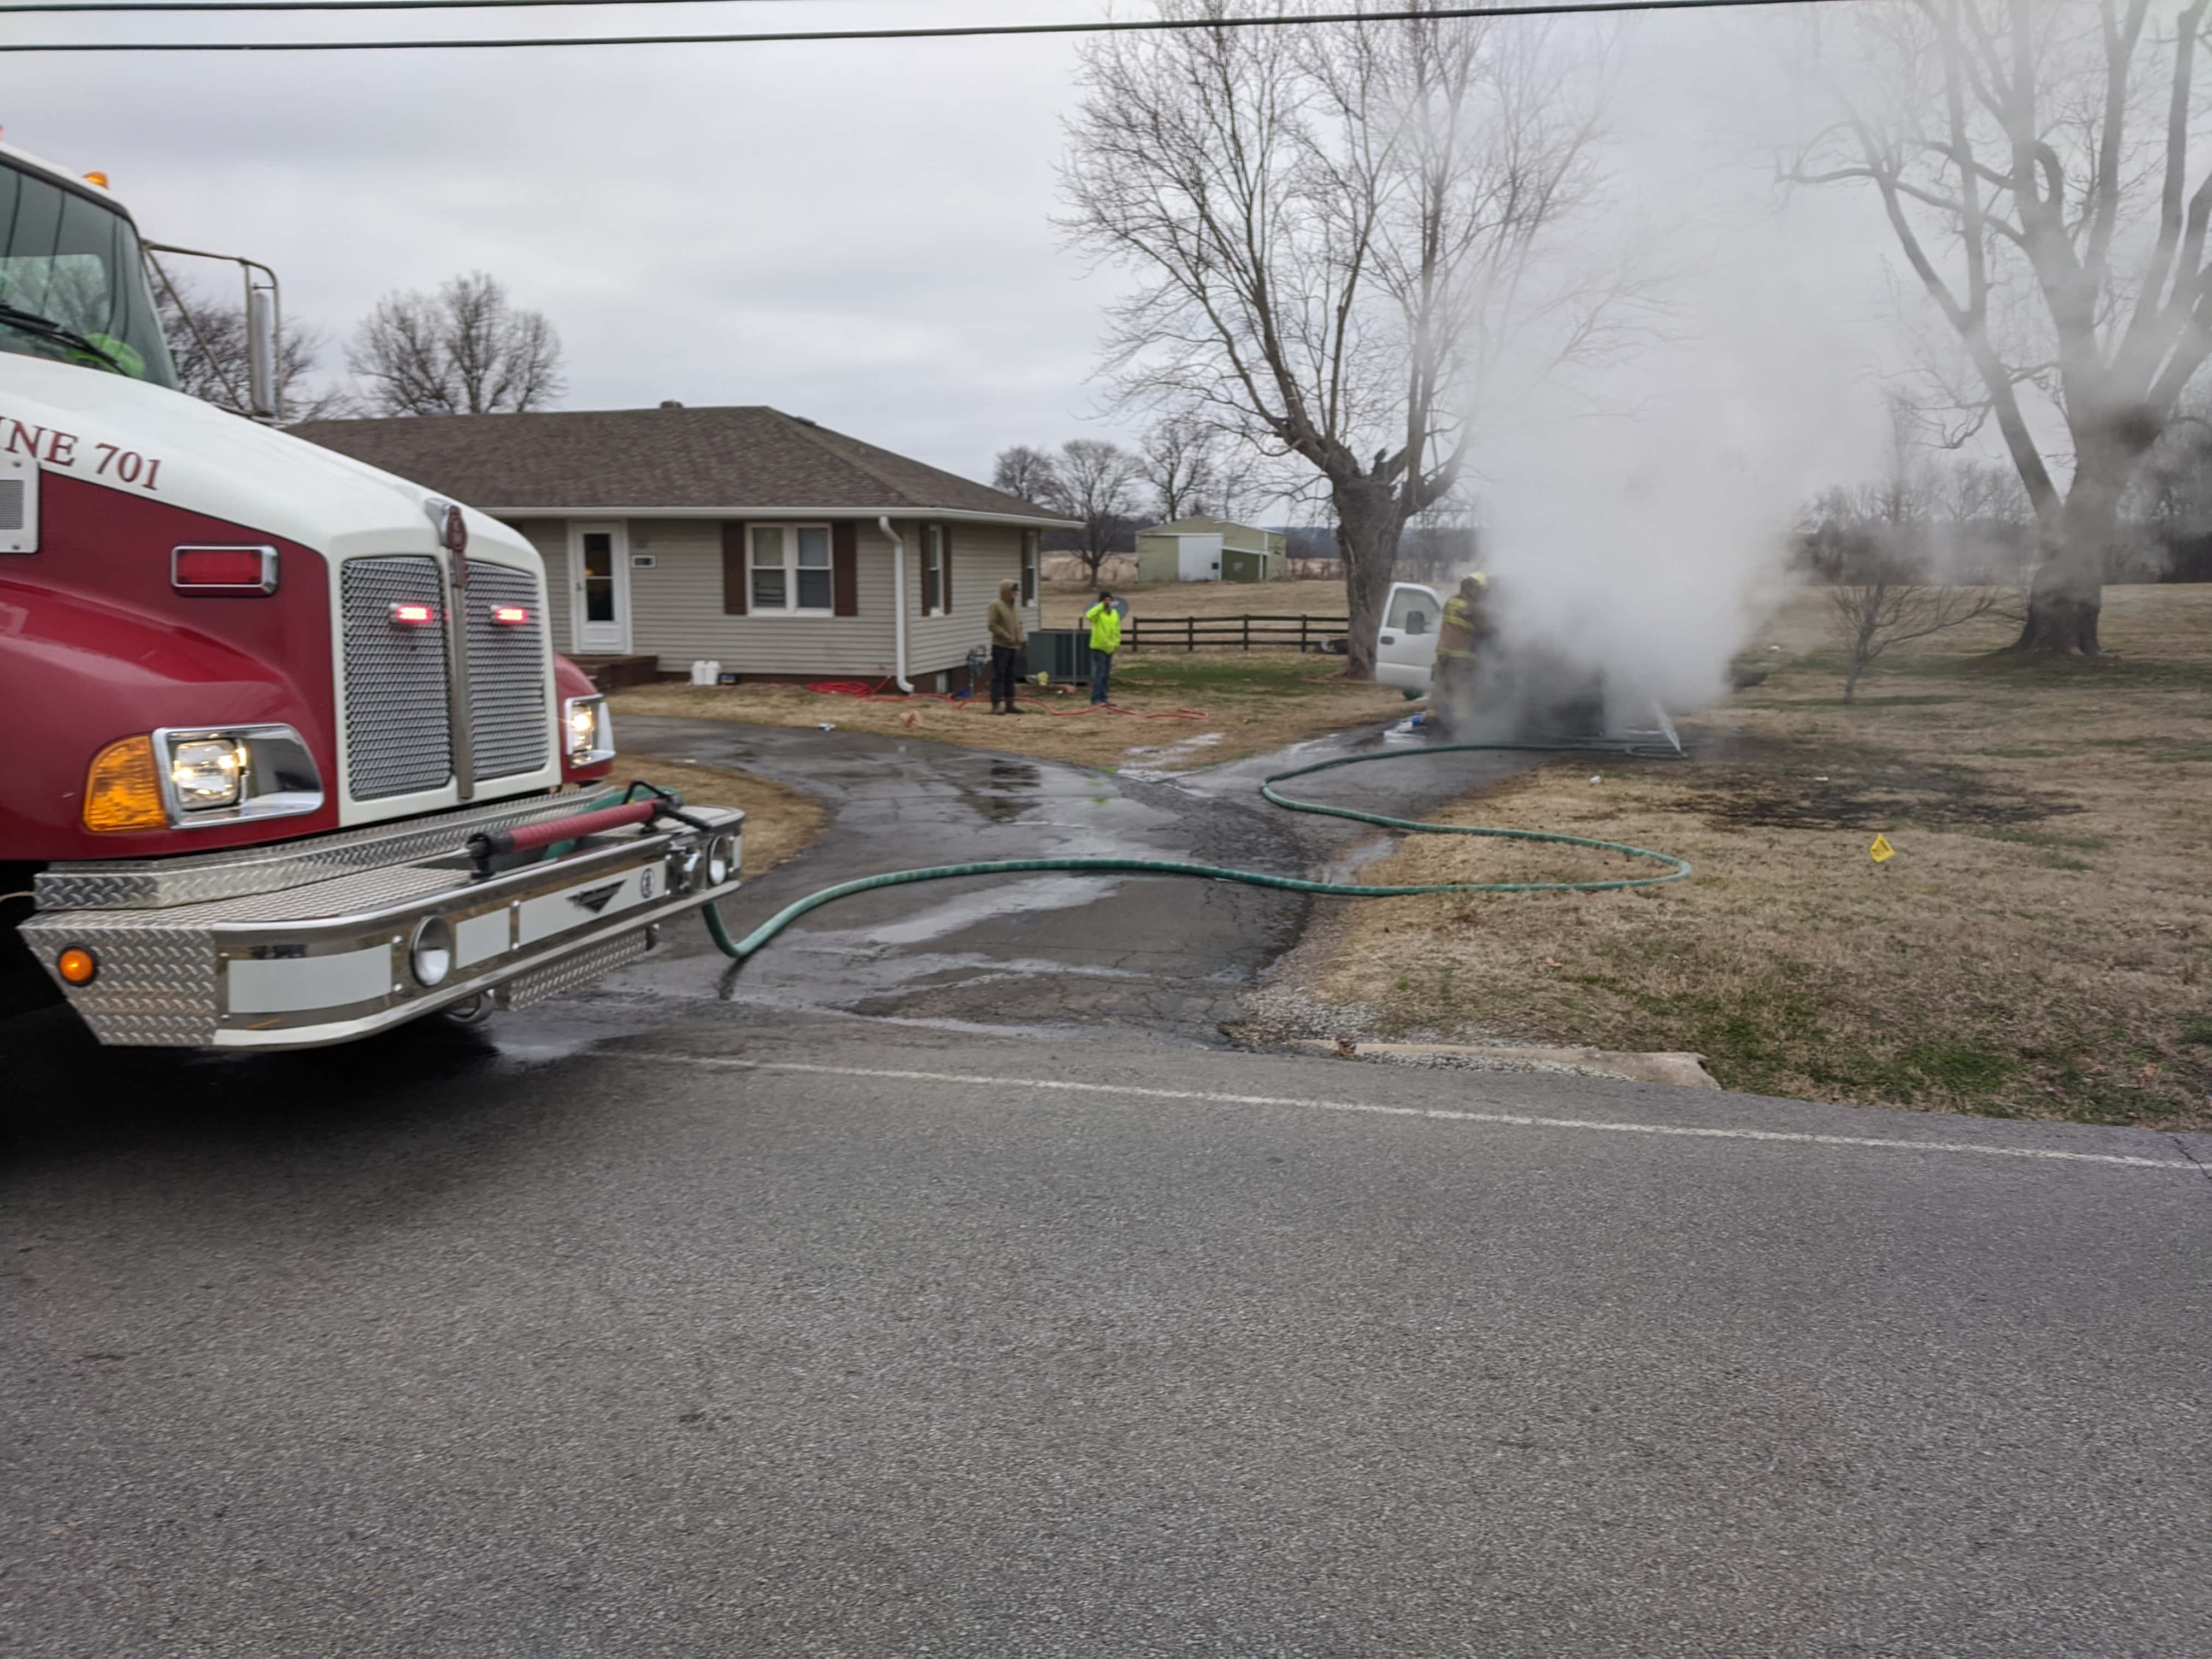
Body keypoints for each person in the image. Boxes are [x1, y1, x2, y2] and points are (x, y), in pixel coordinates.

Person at [1432, 573, 1491, 733]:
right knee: (1461, 689)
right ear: (1476, 589)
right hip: (1461, 655)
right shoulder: (1472, 608)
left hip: (1443, 652)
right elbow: (1486, 628)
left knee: (1441, 686)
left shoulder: (1451, 602)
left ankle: (1433, 719)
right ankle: (1461, 726)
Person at [985, 578, 1028, 714]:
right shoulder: (996, 605)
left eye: (1016, 592)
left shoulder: (1014, 607)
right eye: (1013, 592)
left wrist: (1020, 639)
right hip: (1001, 647)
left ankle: (1010, 704)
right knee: (1000, 675)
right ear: (1006, 592)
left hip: (1014, 647)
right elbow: (992, 625)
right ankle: (996, 705)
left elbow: (1018, 625)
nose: (1015, 595)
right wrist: (1006, 636)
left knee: (1011, 676)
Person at [1081, 589, 1124, 705]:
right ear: (1101, 602)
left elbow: (1116, 629)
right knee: (1099, 673)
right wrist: (1101, 607)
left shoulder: (1114, 613)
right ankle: (1096, 699)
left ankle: (1104, 698)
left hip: (1110, 647)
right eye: (1105, 600)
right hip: (1099, 646)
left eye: (1110, 600)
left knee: (1106, 674)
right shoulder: (1098, 613)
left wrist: (1116, 642)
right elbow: (1089, 615)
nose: (1108, 602)